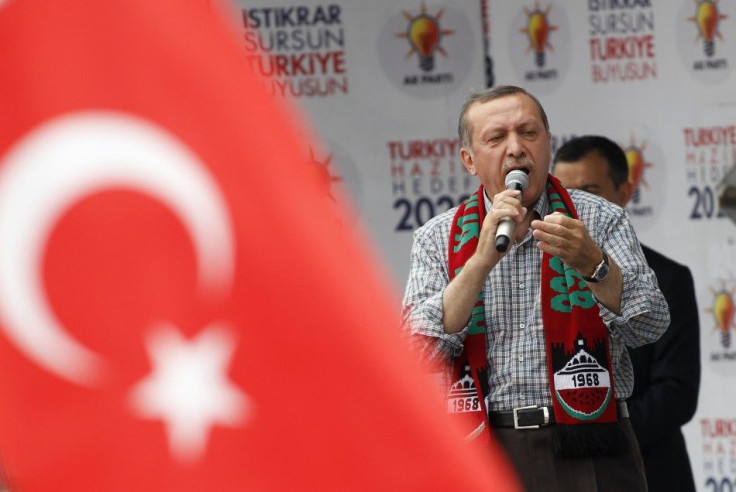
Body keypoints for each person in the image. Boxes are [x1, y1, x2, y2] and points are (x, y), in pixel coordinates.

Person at [401, 85, 670, 491]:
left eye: (529, 133)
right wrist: (479, 263)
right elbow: (415, 356)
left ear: (548, 143)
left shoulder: (598, 219)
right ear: (469, 160)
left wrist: (595, 266)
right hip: (486, 450)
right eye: (496, 138)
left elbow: (650, 325)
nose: (515, 149)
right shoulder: (437, 238)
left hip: (592, 443)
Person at [553, 135, 700, 492]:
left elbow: (676, 392)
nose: (577, 206)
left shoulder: (667, 277)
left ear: (625, 191)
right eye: (565, 194)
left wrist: (601, 435)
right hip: (561, 472)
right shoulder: (536, 282)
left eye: (590, 190)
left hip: (651, 471)